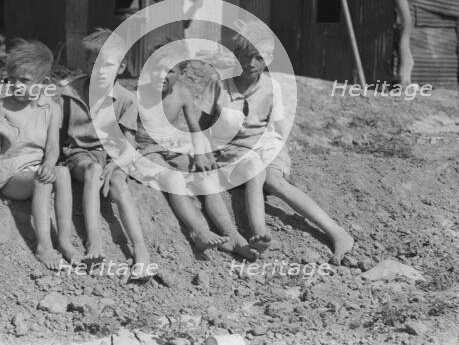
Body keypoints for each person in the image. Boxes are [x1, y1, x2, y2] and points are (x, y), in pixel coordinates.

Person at [201, 24, 354, 262]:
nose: (251, 64)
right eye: (245, 56)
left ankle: (338, 233)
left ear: (268, 59)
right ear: (236, 54)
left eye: (258, 58)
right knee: (253, 167)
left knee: (273, 179)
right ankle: (258, 234)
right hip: (232, 152)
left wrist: (278, 156)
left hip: (266, 146)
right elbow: (201, 126)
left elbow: (279, 130)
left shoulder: (272, 88)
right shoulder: (219, 85)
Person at [0, 39, 80, 270]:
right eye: (12, 79)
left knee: (62, 172)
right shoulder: (3, 106)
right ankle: (44, 246)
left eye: (24, 81)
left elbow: (53, 146)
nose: (16, 85)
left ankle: (65, 242)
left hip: (35, 166)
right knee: (42, 181)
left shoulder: (51, 108)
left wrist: (48, 163)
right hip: (11, 173)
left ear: (42, 82)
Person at [131, 40, 257, 259]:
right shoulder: (137, 95)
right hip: (147, 151)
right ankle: (197, 231)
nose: (162, 76)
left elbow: (195, 128)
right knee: (174, 178)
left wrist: (200, 154)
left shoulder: (182, 94)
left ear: (181, 73)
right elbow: (127, 134)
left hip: (173, 149)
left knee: (207, 178)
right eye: (156, 69)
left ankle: (231, 234)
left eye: (170, 71)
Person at [60, 29, 151, 277]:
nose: (100, 70)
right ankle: (94, 240)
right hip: (79, 155)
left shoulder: (125, 99)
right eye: (94, 63)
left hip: (112, 155)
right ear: (87, 64)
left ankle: (140, 249)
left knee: (119, 185)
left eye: (107, 65)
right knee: (94, 170)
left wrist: (118, 164)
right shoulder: (70, 92)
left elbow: (129, 143)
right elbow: (57, 132)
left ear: (121, 68)